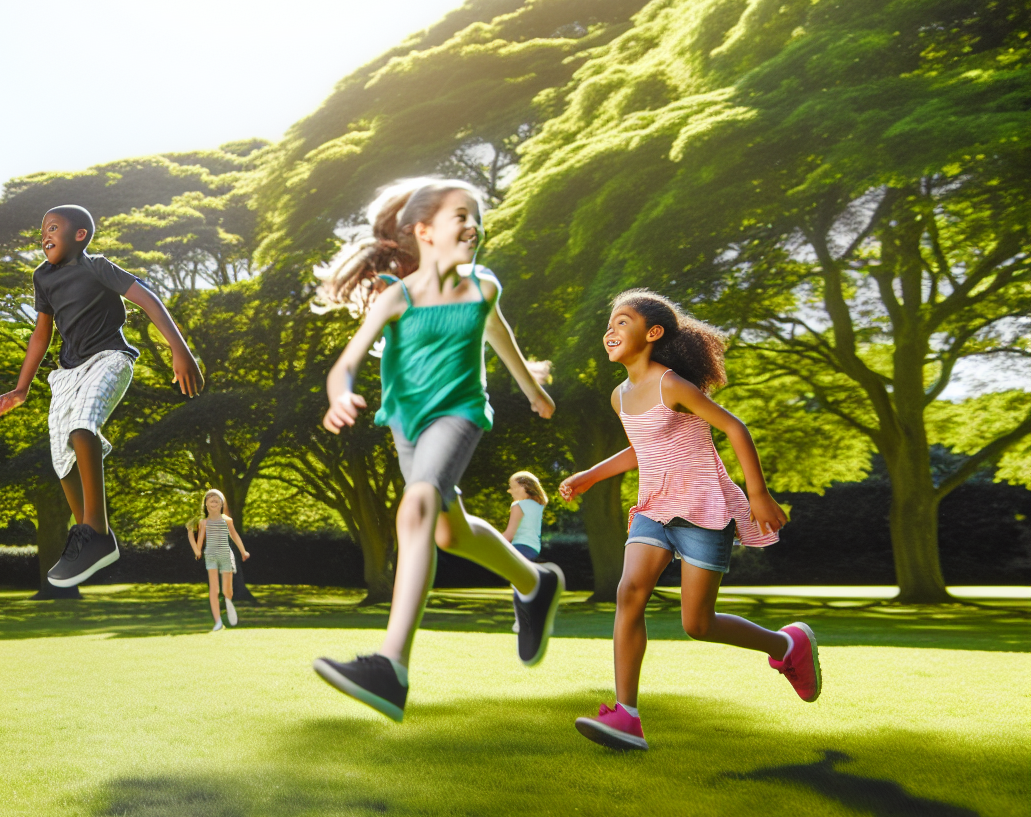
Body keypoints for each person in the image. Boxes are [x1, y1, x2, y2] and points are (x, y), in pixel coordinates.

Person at [311, 177, 564, 723]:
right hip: (407, 424)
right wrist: (340, 395)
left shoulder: (483, 286)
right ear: (424, 231)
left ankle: (390, 665)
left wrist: (533, 391)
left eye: (476, 216)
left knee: (418, 505)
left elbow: (499, 336)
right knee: (447, 530)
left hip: (461, 413)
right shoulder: (395, 297)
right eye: (460, 216)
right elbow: (346, 364)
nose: (473, 225)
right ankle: (534, 581)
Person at [561, 290, 817, 752]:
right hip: (654, 508)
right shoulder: (620, 396)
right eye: (610, 323)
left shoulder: (672, 384)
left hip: (702, 508)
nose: (610, 331)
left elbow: (735, 428)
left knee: (697, 623)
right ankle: (627, 716)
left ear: (652, 333)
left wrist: (757, 494)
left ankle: (785, 646)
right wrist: (591, 476)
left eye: (622, 322)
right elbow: (643, 449)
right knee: (629, 593)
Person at [0, 205, 204, 587]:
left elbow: (148, 299)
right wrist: (21, 387)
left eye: (53, 228)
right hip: (68, 373)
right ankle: (88, 536)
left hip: (109, 358)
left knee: (81, 426)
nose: (45, 236)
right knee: (61, 458)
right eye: (42, 231)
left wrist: (180, 350)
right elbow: (42, 334)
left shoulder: (97, 266)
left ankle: (100, 533)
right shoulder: (42, 277)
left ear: (80, 235)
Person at [189, 489, 251, 632]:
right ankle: (217, 621)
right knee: (214, 589)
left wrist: (243, 551)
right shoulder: (203, 522)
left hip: (225, 555)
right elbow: (200, 540)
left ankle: (228, 602)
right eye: (210, 499)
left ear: (222, 503)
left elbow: (234, 536)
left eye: (216, 499)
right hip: (210, 555)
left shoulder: (227, 520)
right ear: (206, 504)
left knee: (227, 590)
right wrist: (197, 551)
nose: (213, 501)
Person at [502, 472, 548, 563]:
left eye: (513, 487)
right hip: (534, 550)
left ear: (523, 488)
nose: (510, 491)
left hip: (519, 548)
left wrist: (490, 542)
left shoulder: (518, 505)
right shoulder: (538, 505)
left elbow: (509, 535)